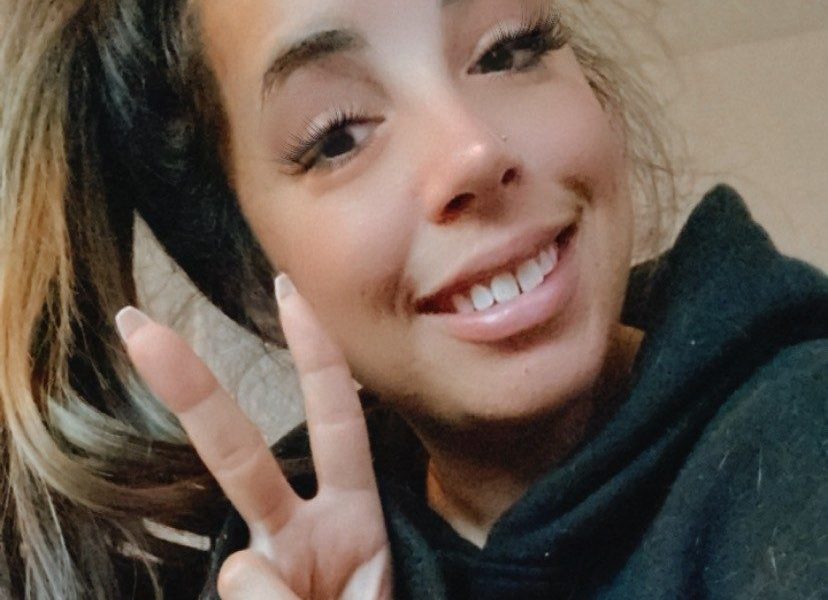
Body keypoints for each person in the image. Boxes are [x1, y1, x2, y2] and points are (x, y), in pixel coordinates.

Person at [1, 1, 825, 599]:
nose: (474, 150)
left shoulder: (800, 446)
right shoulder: (274, 571)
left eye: (507, 49)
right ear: (251, 281)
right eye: (338, 136)